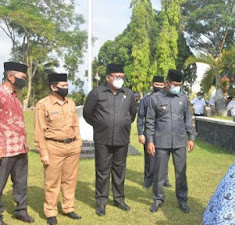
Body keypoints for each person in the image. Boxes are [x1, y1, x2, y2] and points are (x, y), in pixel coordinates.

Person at [83, 64, 137, 216]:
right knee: (102, 171)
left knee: (119, 171)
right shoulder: (97, 93)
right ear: (107, 78)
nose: (120, 79)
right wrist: (101, 124)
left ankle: (119, 199)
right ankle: (101, 202)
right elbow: (88, 114)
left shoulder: (128, 94)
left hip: (122, 139)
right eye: (116, 76)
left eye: (122, 77)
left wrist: (122, 124)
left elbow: (132, 115)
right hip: (103, 139)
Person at [34, 73, 82, 225]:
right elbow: (39, 131)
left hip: (72, 146)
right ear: (53, 87)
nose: (66, 88)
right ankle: (50, 212)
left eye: (67, 85)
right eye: (63, 86)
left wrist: (78, 142)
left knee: (70, 180)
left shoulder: (71, 103)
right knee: (52, 182)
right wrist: (43, 153)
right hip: (53, 147)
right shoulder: (43, 104)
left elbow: (76, 124)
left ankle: (68, 208)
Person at [146, 69, 195, 213]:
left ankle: (182, 200)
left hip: (180, 142)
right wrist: (150, 140)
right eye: (175, 84)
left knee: (181, 173)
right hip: (161, 142)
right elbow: (150, 121)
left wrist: (191, 137)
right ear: (167, 83)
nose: (177, 87)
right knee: (159, 173)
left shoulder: (183, 98)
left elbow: (187, 119)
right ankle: (158, 199)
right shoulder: (155, 98)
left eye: (179, 84)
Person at [0, 62, 35, 225]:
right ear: (10, 76)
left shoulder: (15, 97)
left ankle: (21, 211)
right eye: (22, 77)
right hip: (5, 149)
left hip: (20, 147)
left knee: (21, 182)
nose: (24, 81)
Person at [137, 75, 171, 189]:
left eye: (162, 85)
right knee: (149, 158)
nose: (159, 87)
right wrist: (141, 133)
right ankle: (148, 179)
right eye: (157, 85)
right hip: (149, 132)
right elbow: (140, 118)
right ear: (153, 85)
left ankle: (164, 179)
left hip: (163, 133)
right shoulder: (146, 100)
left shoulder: (167, 99)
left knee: (164, 156)